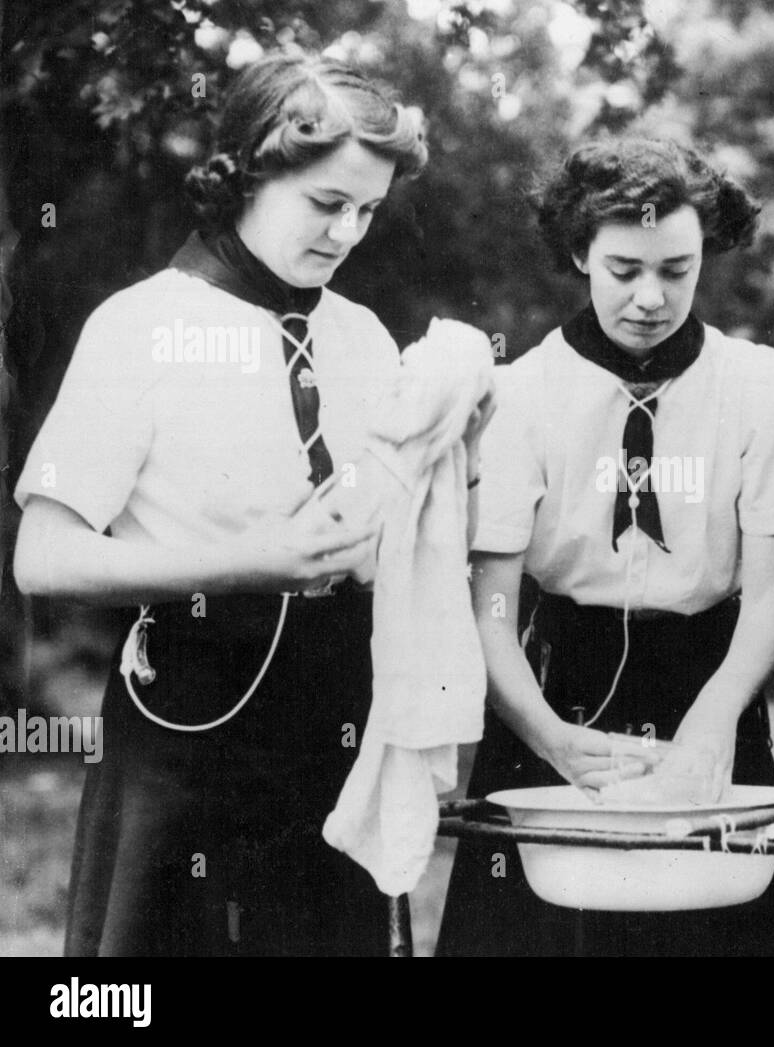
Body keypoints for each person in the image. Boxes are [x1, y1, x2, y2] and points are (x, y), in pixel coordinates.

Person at [11, 52, 474, 955]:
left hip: (338, 714)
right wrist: (247, 562)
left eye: (368, 211)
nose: (346, 234)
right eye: (325, 204)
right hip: (189, 712)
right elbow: (45, 556)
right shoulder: (141, 326)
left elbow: (391, 530)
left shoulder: (363, 335)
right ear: (245, 177)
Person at [435, 137, 774, 957]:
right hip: (551, 683)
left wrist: (713, 726)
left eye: (677, 270)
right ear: (579, 252)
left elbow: (768, 600)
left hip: (711, 678)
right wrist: (550, 738)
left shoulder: (758, 385)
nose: (651, 297)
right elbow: (491, 610)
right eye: (624, 269)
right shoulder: (518, 393)